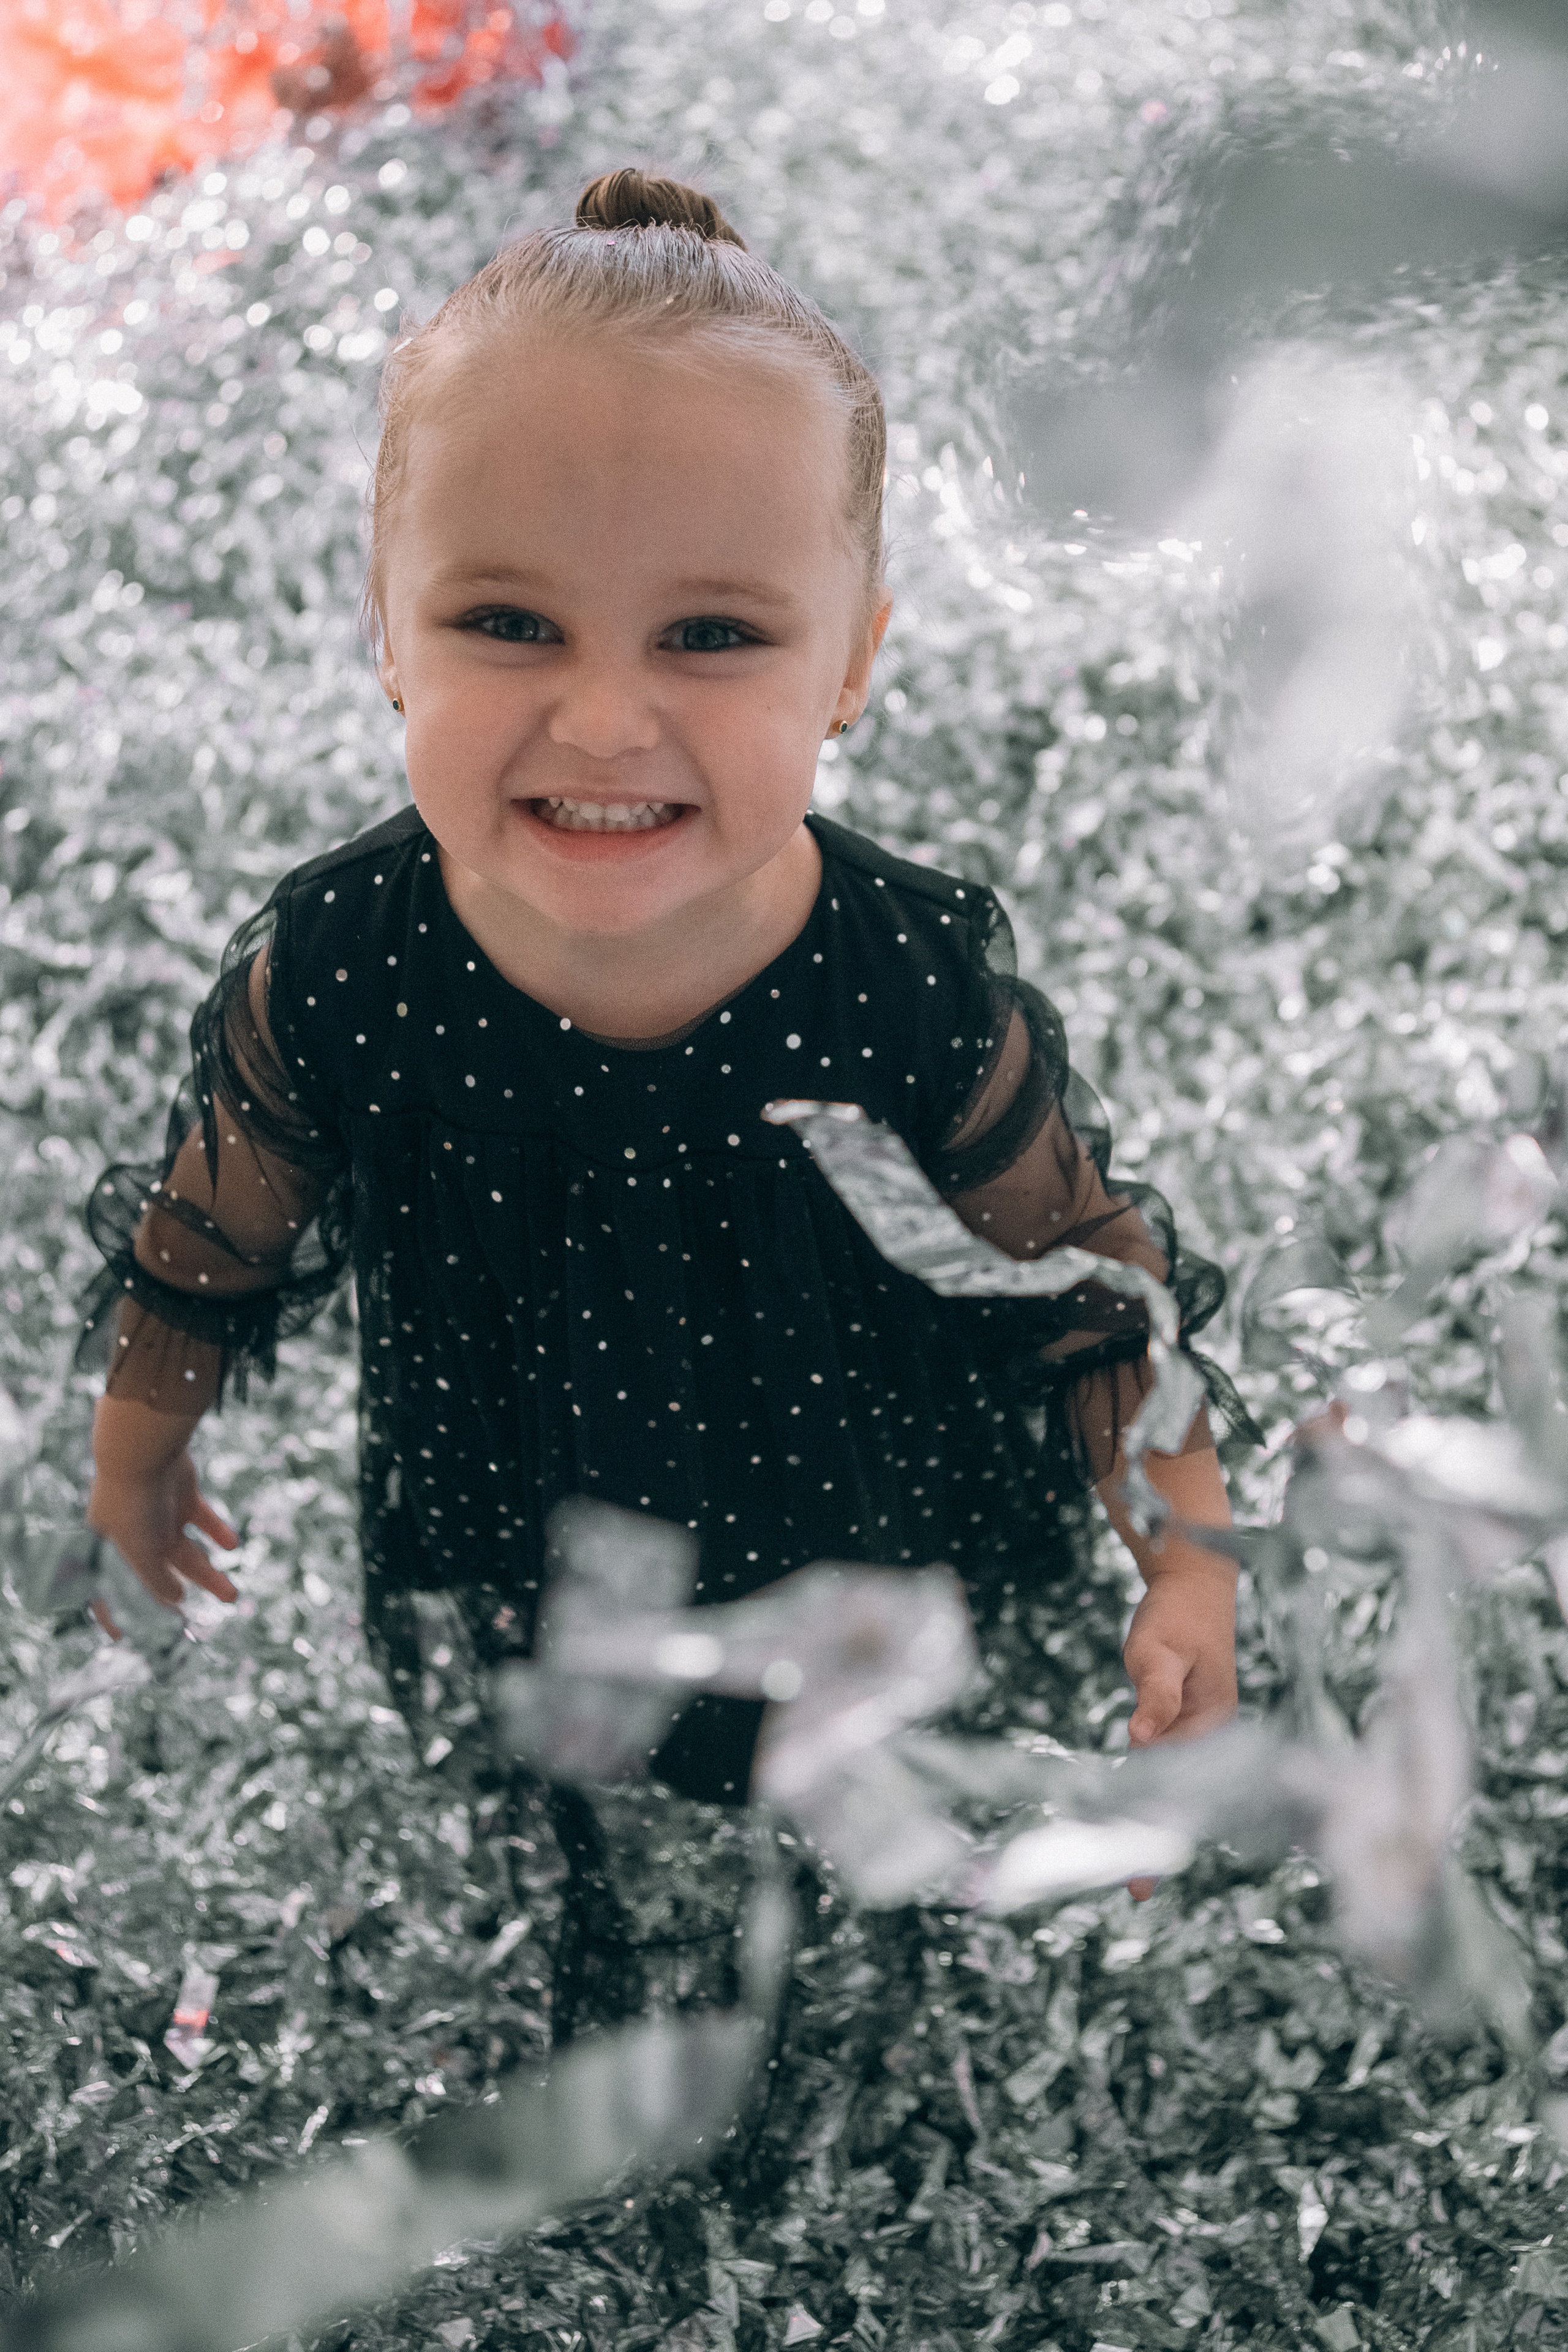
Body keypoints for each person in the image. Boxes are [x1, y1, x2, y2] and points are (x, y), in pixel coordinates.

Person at [80, 169, 1243, 1959]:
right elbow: (212, 1237)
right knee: (551, 1712)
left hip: (842, 1476)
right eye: (509, 623)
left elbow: (1087, 1284)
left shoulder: (901, 991)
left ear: (851, 657)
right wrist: (135, 1455)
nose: (606, 718)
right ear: (383, 625)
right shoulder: (340, 968)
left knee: (839, 1754)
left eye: (711, 635)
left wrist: (1183, 1560)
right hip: (506, 1469)